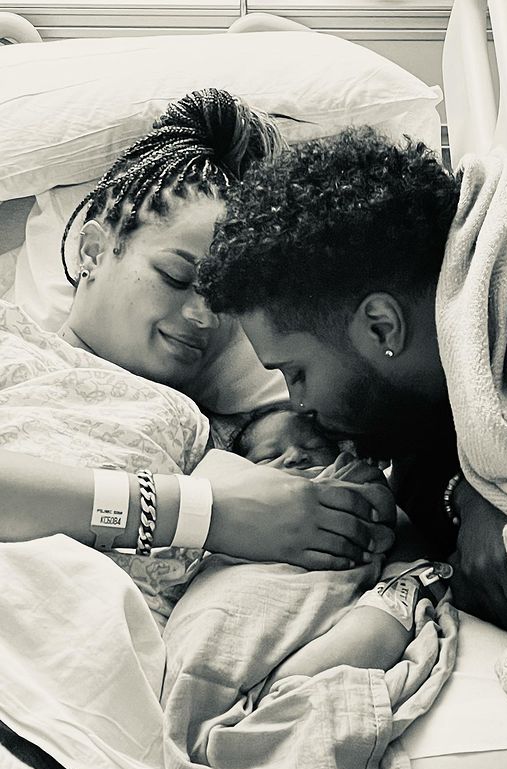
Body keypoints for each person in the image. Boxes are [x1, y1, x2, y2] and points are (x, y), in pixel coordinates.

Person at [195, 126, 507, 769]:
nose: (299, 404)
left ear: (382, 326)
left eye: (297, 373)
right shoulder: (462, 320)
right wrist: (471, 491)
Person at [0, 97, 397, 619]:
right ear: (93, 250)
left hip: (97, 656)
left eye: (223, 300)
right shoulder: (10, 340)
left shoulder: (222, 443)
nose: (203, 316)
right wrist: (203, 513)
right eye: (176, 277)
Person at [230, 402, 449, 694]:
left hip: (343, 612)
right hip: (252, 597)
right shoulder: (231, 503)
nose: (295, 455)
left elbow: (391, 522)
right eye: (269, 456)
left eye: (314, 446)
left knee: (371, 634)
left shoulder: (354, 484)